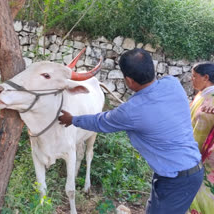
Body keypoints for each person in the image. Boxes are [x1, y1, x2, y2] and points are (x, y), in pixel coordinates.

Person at [58, 48, 204, 214]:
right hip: (182, 171)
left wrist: (72, 119)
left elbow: (101, 122)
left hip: (177, 180)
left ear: (128, 80)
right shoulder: (172, 83)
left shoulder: (132, 111)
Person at [188, 63, 214, 214]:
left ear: (206, 77)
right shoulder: (203, 94)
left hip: (203, 159)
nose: (191, 79)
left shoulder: (209, 98)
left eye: (194, 76)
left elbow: (198, 130)